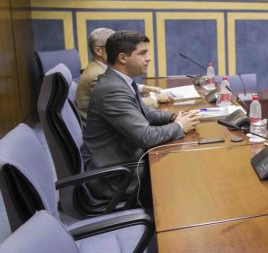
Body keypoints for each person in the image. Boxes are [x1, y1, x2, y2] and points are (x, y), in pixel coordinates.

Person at [82, 30, 200, 205]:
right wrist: (179, 127)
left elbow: (147, 113)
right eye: (143, 53)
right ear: (123, 58)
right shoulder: (112, 90)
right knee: (185, 178)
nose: (149, 58)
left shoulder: (120, 81)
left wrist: (173, 117)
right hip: (116, 177)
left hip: (126, 160)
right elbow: (146, 137)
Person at [76, 28, 170, 121]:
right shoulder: (96, 75)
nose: (118, 49)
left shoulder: (101, 68)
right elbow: (124, 105)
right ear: (98, 51)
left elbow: (119, 85)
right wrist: (155, 99)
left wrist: (143, 88)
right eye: (111, 47)